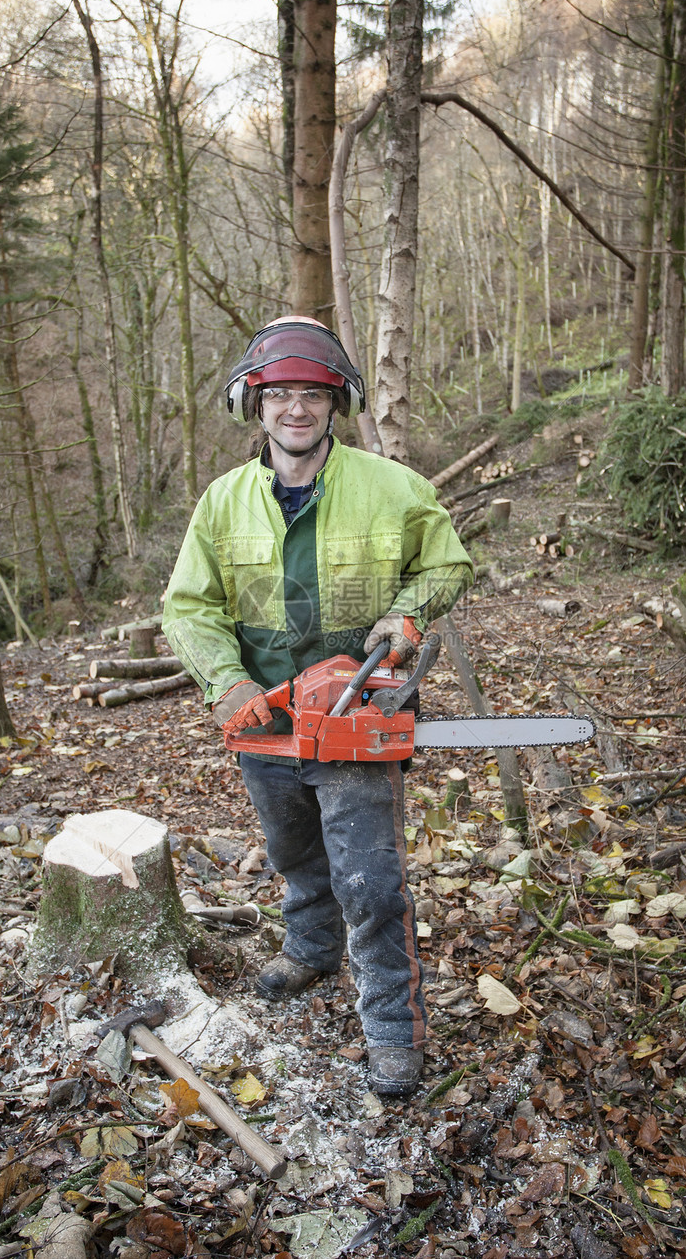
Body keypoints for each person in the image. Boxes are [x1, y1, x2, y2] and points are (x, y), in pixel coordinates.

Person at [163, 317, 473, 1097]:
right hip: (264, 718)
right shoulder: (223, 502)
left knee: (369, 879)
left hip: (358, 708)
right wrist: (225, 682)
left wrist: (406, 615)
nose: (294, 410)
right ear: (253, 404)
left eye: (310, 394)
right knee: (294, 851)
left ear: (335, 402)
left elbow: (448, 563)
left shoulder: (393, 488)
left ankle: (394, 1027)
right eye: (279, 395)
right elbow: (188, 606)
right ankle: (310, 946)